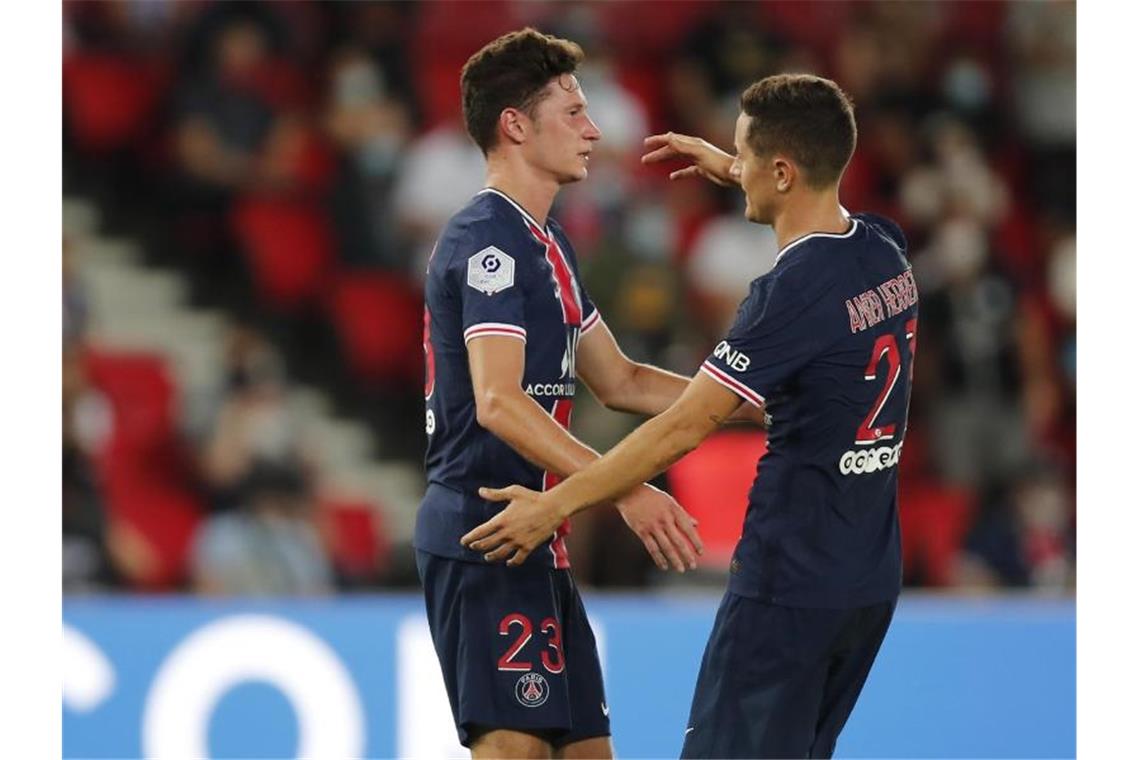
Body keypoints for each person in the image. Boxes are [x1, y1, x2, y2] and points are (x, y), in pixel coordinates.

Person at [463, 73, 919, 759]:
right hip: (867, 578)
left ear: (783, 172)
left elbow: (681, 426)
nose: (730, 165)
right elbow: (801, 192)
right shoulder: (883, 250)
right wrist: (739, 169)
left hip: (788, 584)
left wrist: (556, 509)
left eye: (742, 153)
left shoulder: (787, 294)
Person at [416, 28, 765, 760]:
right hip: (487, 535)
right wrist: (625, 487)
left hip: (542, 536)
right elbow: (499, 402)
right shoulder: (487, 243)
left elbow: (623, 380)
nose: (595, 130)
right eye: (573, 112)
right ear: (515, 125)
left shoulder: (549, 245)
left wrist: (757, 403)